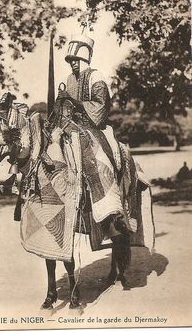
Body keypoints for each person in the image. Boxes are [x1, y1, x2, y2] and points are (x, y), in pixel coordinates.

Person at [51, 34, 132, 249]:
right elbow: (65, 109)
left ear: (85, 59)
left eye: (76, 60)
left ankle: (110, 206)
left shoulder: (96, 76)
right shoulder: (69, 80)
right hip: (72, 126)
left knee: (99, 161)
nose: (73, 64)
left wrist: (75, 103)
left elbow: (100, 107)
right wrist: (61, 105)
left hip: (95, 127)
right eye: (71, 61)